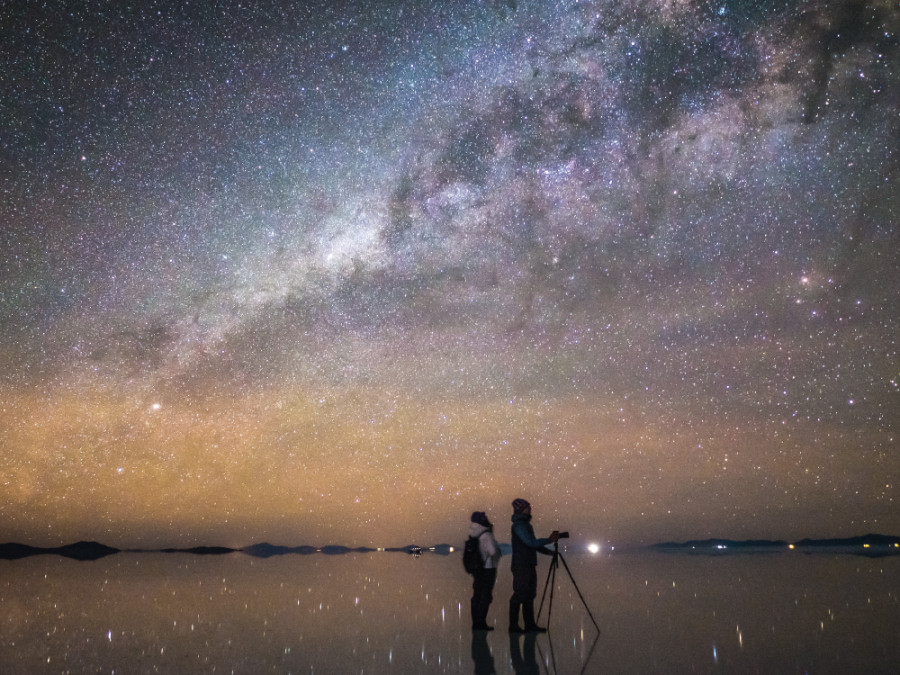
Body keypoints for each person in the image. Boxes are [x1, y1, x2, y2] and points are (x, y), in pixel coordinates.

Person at [509, 498, 559, 633]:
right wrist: (549, 540)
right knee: (520, 594)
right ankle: (513, 626)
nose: (530, 509)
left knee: (529, 595)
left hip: (528, 564)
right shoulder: (519, 526)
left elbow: (532, 544)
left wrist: (548, 552)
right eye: (527, 507)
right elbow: (531, 542)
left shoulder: (525, 525)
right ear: (521, 509)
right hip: (521, 565)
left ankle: (529, 625)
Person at [469, 511, 502, 631]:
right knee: (485, 596)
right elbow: (493, 552)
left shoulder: (474, 533)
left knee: (477, 595)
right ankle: (481, 623)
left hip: (478, 569)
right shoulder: (486, 535)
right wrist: (498, 551)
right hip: (488, 568)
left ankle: (476, 623)